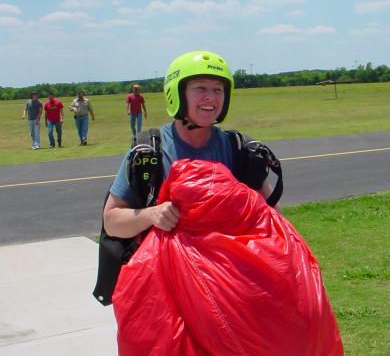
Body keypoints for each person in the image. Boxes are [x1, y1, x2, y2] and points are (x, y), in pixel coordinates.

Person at [104, 50, 274, 239]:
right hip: (167, 265)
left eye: (218, 89)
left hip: (226, 265)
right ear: (177, 93)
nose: (210, 97)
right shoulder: (149, 152)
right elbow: (111, 222)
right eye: (200, 88)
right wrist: (150, 215)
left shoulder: (239, 151)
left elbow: (273, 218)